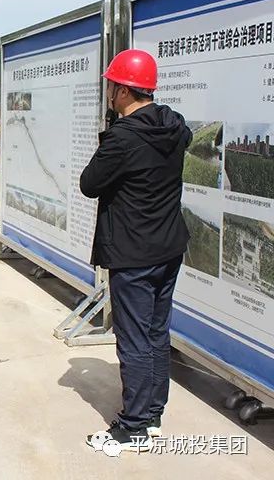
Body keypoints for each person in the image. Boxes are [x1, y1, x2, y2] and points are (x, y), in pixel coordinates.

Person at [80, 49, 191, 453]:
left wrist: (111, 135)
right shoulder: (174, 126)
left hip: (133, 253)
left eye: (112, 87)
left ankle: (134, 427)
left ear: (124, 91)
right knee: (157, 333)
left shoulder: (123, 138)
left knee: (134, 339)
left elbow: (90, 183)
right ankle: (153, 413)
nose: (109, 94)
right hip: (168, 247)